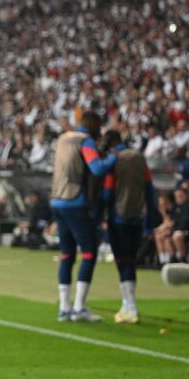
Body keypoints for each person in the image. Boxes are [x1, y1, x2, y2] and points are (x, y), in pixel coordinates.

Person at [50, 111, 116, 322]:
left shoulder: (62, 138)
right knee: (89, 252)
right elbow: (97, 169)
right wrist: (114, 157)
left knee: (67, 254)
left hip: (57, 199)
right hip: (74, 201)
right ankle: (79, 307)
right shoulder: (85, 141)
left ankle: (63, 307)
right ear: (94, 125)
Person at [101, 131, 156, 324]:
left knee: (122, 262)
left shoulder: (114, 161)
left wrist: (102, 215)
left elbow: (108, 193)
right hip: (138, 217)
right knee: (131, 261)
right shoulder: (140, 158)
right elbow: (150, 190)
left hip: (118, 218)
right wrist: (149, 222)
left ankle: (130, 305)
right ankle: (127, 303)